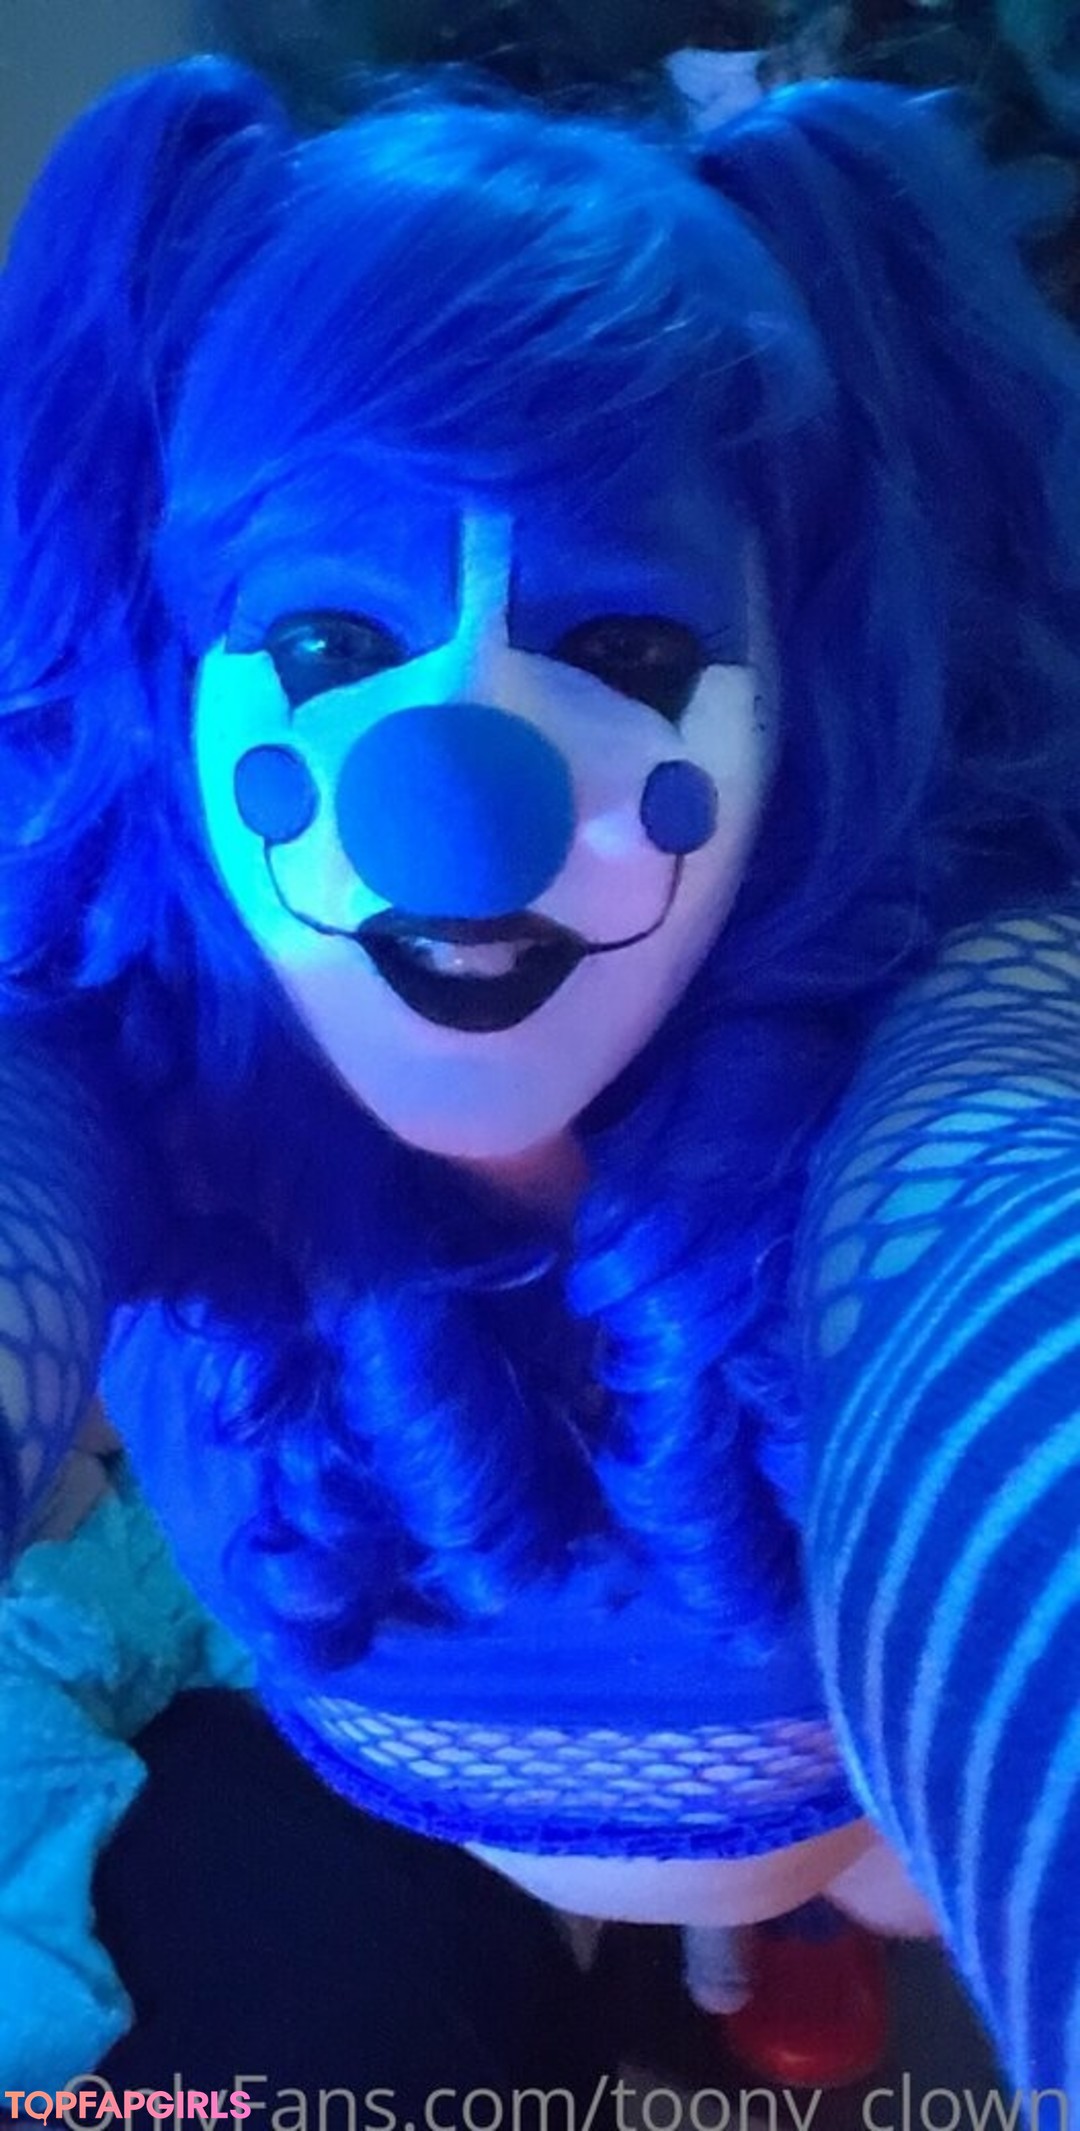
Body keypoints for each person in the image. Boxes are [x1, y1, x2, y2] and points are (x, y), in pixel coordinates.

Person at [1, 44, 1079, 2096]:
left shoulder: (943, 1016)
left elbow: (1020, 1266)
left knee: (882, 1894)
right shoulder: (120, 1029)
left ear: (799, 681)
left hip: (848, 1816)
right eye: (326, 647)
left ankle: (769, 1916)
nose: (453, 806)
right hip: (469, 1814)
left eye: (629, 652)